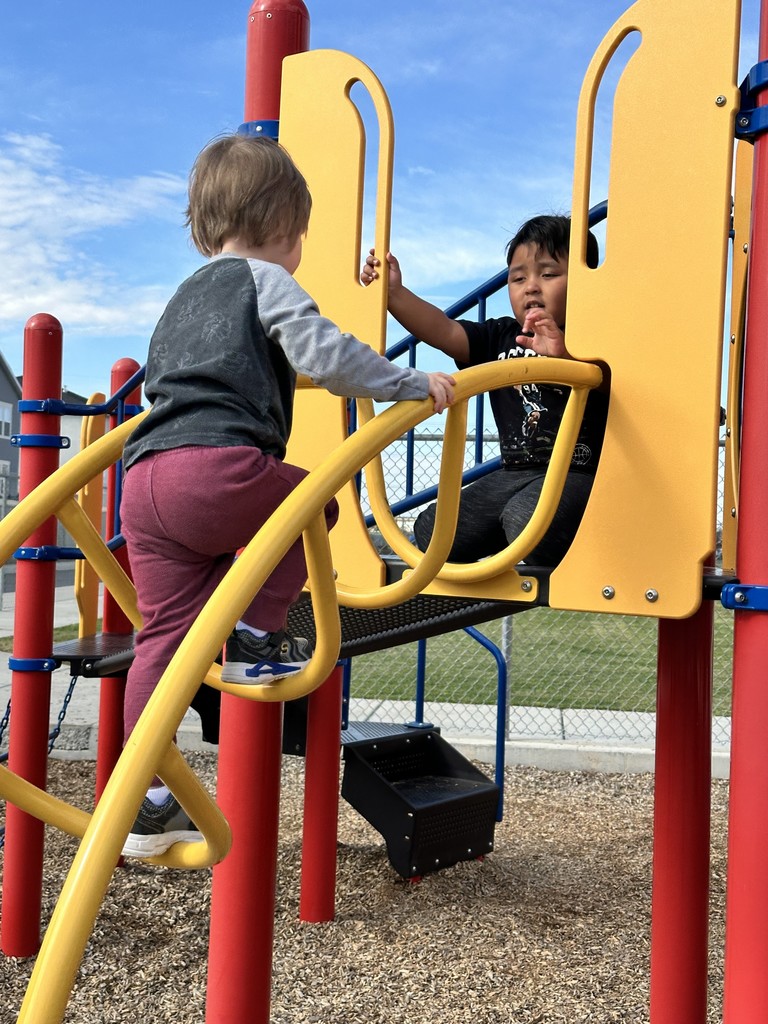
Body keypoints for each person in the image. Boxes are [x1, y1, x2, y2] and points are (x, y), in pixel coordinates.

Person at [119, 133, 455, 858]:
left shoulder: (182, 298)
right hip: (214, 468)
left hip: (143, 481)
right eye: (301, 233)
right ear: (281, 226)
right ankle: (254, 638)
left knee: (162, 641)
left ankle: (142, 803)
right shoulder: (263, 279)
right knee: (313, 505)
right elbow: (324, 354)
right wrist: (410, 384)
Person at [361, 214, 609, 565]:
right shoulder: (500, 336)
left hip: (578, 474)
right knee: (433, 528)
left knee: (525, 519)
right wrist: (395, 294)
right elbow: (444, 331)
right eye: (518, 278)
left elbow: (628, 390)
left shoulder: (598, 340)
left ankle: (536, 539)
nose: (531, 286)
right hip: (514, 473)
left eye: (549, 274)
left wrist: (566, 355)